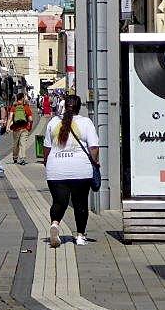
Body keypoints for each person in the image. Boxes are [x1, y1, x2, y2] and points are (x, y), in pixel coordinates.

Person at [43, 94, 99, 248]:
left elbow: (47, 148)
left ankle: (55, 224)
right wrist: (95, 161)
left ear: (63, 105)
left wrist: (47, 164)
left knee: (59, 201)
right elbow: (93, 148)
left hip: (56, 170)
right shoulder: (86, 122)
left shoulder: (53, 122)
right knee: (80, 203)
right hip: (80, 170)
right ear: (79, 107)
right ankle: (80, 236)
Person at [9, 90, 34, 165]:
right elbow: (30, 119)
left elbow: (10, 117)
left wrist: (7, 127)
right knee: (23, 144)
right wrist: (30, 126)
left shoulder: (14, 107)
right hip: (24, 128)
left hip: (15, 129)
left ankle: (15, 157)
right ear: (23, 98)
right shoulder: (26, 107)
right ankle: (22, 158)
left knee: (15, 144)